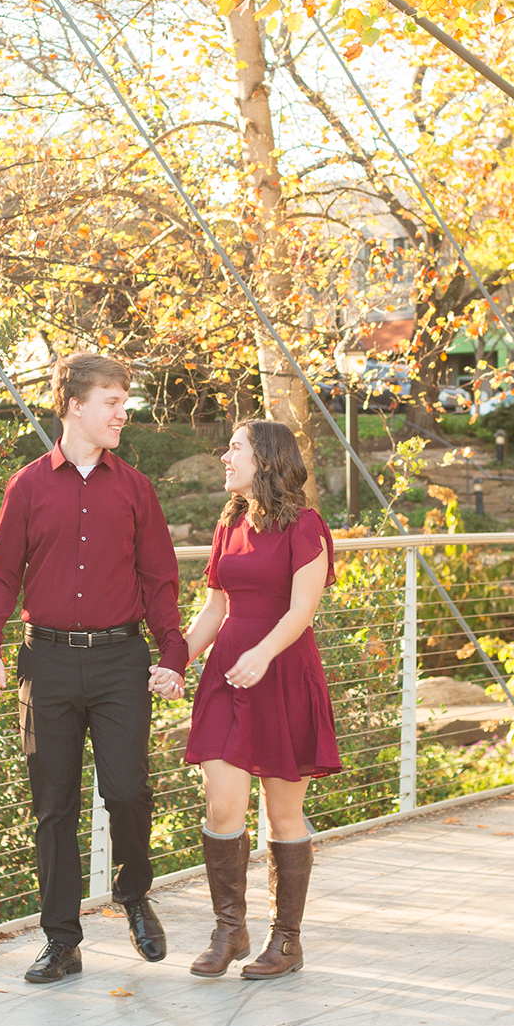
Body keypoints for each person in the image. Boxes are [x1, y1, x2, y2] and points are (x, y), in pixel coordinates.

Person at [0, 353, 188, 984]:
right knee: (54, 807)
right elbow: (2, 573)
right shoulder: (29, 486)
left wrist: (172, 653)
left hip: (122, 660)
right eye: (112, 402)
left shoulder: (135, 488)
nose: (124, 413)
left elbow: (159, 579)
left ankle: (134, 895)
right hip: (48, 664)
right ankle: (61, 942)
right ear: (73, 405)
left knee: (127, 791)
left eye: (125, 402)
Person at [161, 419, 342, 980]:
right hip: (227, 674)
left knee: (284, 814)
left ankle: (285, 941)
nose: (225, 456)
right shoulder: (229, 522)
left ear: (264, 459)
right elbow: (214, 610)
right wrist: (175, 661)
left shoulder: (306, 525)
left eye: (235, 448)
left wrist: (263, 655)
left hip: (282, 671)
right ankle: (228, 928)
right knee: (221, 804)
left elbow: (300, 612)